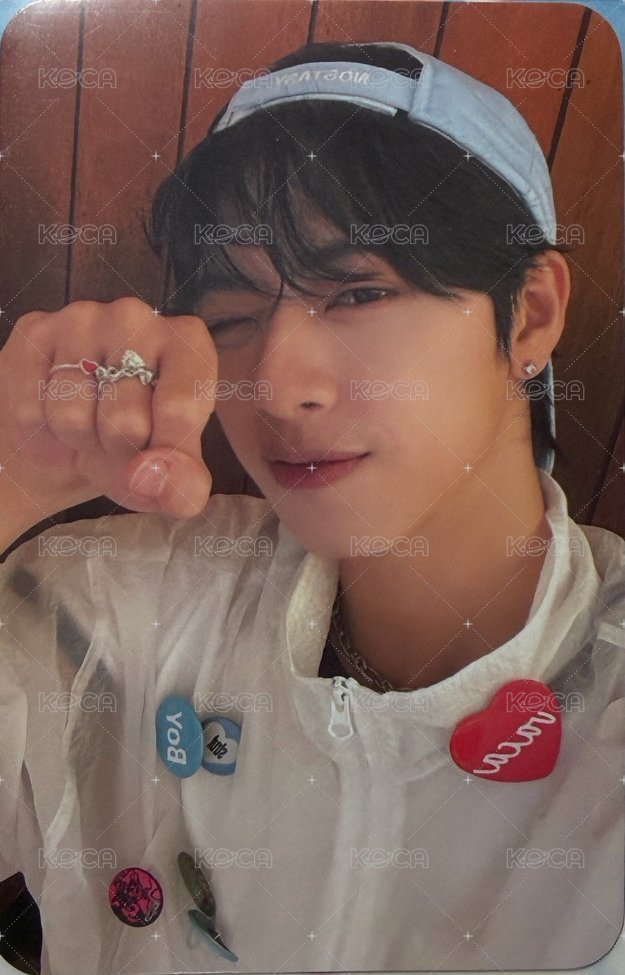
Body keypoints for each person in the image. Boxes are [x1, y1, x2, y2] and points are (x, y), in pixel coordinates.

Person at [0, 38, 624, 975]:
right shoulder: (113, 608)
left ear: (529, 312)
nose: (278, 385)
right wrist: (10, 476)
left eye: (360, 290)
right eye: (233, 316)